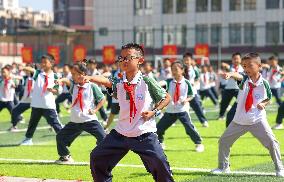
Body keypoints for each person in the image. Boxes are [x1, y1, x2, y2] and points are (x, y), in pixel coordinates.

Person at [88, 43, 174, 182]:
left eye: (128, 57)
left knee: (159, 163)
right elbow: (107, 82)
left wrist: (154, 112)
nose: (124, 61)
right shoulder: (120, 82)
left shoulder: (147, 81)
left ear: (140, 60)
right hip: (121, 134)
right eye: (121, 58)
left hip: (143, 133)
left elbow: (166, 97)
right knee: (97, 157)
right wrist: (90, 78)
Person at [211, 53, 284, 177]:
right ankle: (223, 167)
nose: (246, 69)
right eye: (244, 66)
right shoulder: (245, 79)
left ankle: (279, 169)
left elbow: (269, 97)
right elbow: (238, 75)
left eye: (249, 66)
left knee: (272, 142)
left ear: (259, 66)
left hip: (257, 120)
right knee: (223, 141)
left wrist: (263, 103)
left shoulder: (264, 83)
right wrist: (230, 74)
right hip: (239, 121)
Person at [55, 61, 106, 163]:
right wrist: (61, 80)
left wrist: (95, 109)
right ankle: (65, 156)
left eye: (74, 74)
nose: (72, 76)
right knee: (60, 137)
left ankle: (101, 157)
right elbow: (67, 81)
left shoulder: (92, 86)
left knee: (103, 138)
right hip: (75, 121)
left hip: (89, 120)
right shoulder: (74, 86)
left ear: (82, 74)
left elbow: (102, 99)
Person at [157, 61, 204, 152]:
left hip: (182, 110)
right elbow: (160, 85)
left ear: (182, 70)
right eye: (172, 69)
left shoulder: (187, 83)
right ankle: (161, 142)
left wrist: (186, 100)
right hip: (170, 111)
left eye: (176, 69)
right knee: (159, 128)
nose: (173, 71)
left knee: (189, 128)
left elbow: (191, 95)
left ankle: (198, 143)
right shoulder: (169, 82)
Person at [20, 54, 63, 145]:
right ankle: (28, 139)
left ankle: (63, 138)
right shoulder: (38, 73)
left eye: (45, 62)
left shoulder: (55, 76)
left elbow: (57, 90)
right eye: (41, 62)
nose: (42, 64)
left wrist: (53, 90)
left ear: (51, 63)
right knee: (32, 123)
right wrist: (23, 67)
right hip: (36, 104)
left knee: (55, 123)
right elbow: (32, 70)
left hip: (48, 105)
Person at [183, 52, 209, 127]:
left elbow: (197, 78)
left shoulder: (195, 70)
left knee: (197, 107)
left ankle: (204, 121)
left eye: (188, 60)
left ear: (191, 61)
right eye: (185, 60)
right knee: (179, 108)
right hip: (183, 93)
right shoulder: (181, 69)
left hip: (192, 92)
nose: (186, 62)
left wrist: (194, 83)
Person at [8, 65, 34, 131]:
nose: (26, 71)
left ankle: (54, 125)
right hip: (26, 100)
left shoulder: (38, 77)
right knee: (15, 111)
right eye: (26, 70)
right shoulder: (26, 78)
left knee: (45, 113)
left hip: (35, 100)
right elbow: (18, 77)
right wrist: (10, 74)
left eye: (28, 69)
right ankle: (14, 126)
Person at [218, 52, 243, 120]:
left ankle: (242, 116)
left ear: (240, 59)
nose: (236, 60)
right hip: (228, 88)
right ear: (232, 60)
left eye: (237, 59)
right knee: (224, 103)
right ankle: (221, 115)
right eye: (234, 59)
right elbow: (224, 69)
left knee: (241, 102)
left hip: (239, 89)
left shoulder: (243, 69)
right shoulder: (229, 67)